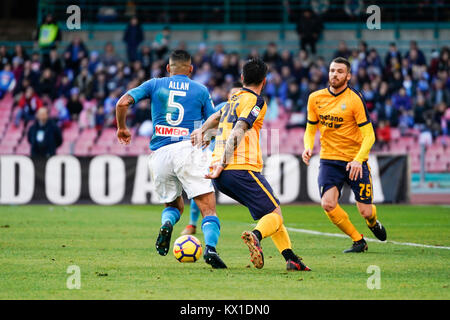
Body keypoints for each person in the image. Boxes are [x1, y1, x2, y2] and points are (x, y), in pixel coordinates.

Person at [191, 58, 311, 271]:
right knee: (275, 215)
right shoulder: (256, 101)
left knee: (270, 214)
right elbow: (239, 130)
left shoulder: (234, 98)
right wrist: (223, 163)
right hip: (240, 167)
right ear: (264, 81)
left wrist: (202, 131)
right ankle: (255, 236)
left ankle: (291, 259)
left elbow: (215, 118)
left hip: (222, 175)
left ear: (242, 78)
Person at [115, 50, 227, 269]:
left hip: (160, 154)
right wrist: (208, 136)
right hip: (188, 149)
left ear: (168, 68)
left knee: (174, 204)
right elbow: (214, 121)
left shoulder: (154, 84)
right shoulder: (200, 90)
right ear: (191, 69)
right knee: (208, 209)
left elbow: (122, 103)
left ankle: (167, 223)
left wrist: (122, 128)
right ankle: (211, 249)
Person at [302, 57, 387, 253]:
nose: (335, 74)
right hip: (329, 159)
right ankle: (358, 240)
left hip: (354, 161)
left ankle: (373, 222)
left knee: (365, 211)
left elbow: (369, 135)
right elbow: (310, 128)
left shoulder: (354, 99)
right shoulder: (315, 98)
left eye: (340, 71)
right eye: (332, 70)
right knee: (328, 203)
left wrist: (358, 160)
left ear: (348, 76)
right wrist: (308, 146)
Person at [181, 81, 243, 236]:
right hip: (214, 155)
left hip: (236, 157)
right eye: (233, 94)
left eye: (238, 94)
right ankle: (192, 224)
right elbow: (210, 129)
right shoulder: (221, 108)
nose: (236, 97)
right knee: (203, 187)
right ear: (229, 96)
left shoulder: (246, 110)